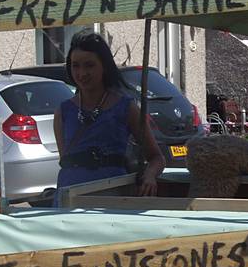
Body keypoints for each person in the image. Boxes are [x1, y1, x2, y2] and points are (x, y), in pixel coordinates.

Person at [53, 31, 164, 201]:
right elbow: (66, 160)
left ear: (104, 66)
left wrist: (149, 176)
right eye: (76, 66)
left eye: (89, 65)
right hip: (70, 198)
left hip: (112, 197)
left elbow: (156, 157)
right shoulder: (63, 112)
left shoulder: (127, 108)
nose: (82, 73)